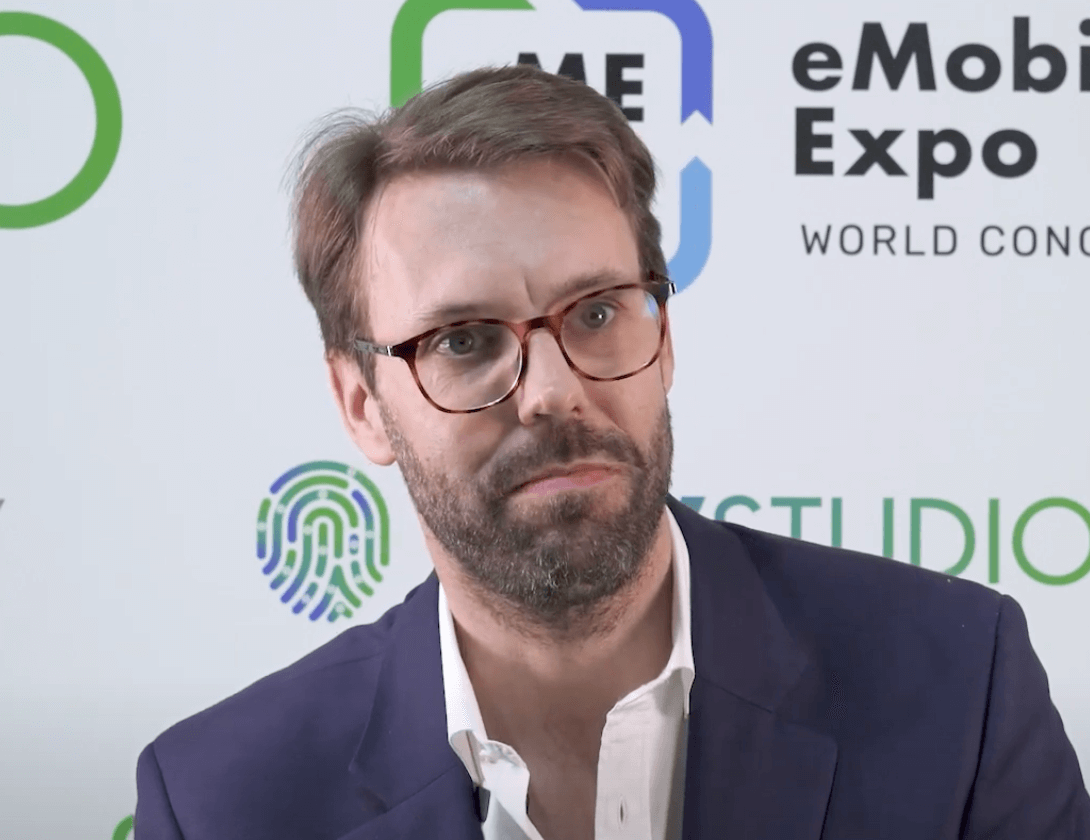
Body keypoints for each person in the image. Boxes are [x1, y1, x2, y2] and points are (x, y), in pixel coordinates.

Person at [134, 64, 1089, 840]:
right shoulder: (223, 803)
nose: (552, 390)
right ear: (361, 405)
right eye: (463, 339)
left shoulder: (959, 688)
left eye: (596, 313)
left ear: (663, 339)